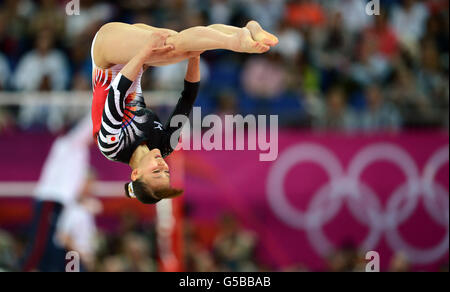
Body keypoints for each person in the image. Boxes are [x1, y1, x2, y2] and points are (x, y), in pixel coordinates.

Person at [91, 21, 278, 205]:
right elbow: (187, 98)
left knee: (173, 46)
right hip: (134, 63)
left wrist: (145, 52)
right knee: (186, 46)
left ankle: (238, 41)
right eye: (166, 172)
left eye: (156, 172)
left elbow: (117, 92)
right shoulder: (165, 146)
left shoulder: (112, 146)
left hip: (106, 58)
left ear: (136, 174)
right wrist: (195, 58)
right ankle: (246, 31)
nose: (163, 166)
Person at [21, 115, 93, 272]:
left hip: (62, 203)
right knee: (39, 245)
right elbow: (91, 122)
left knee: (53, 248)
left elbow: (75, 185)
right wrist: (112, 99)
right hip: (50, 198)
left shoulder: (81, 151)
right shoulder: (67, 144)